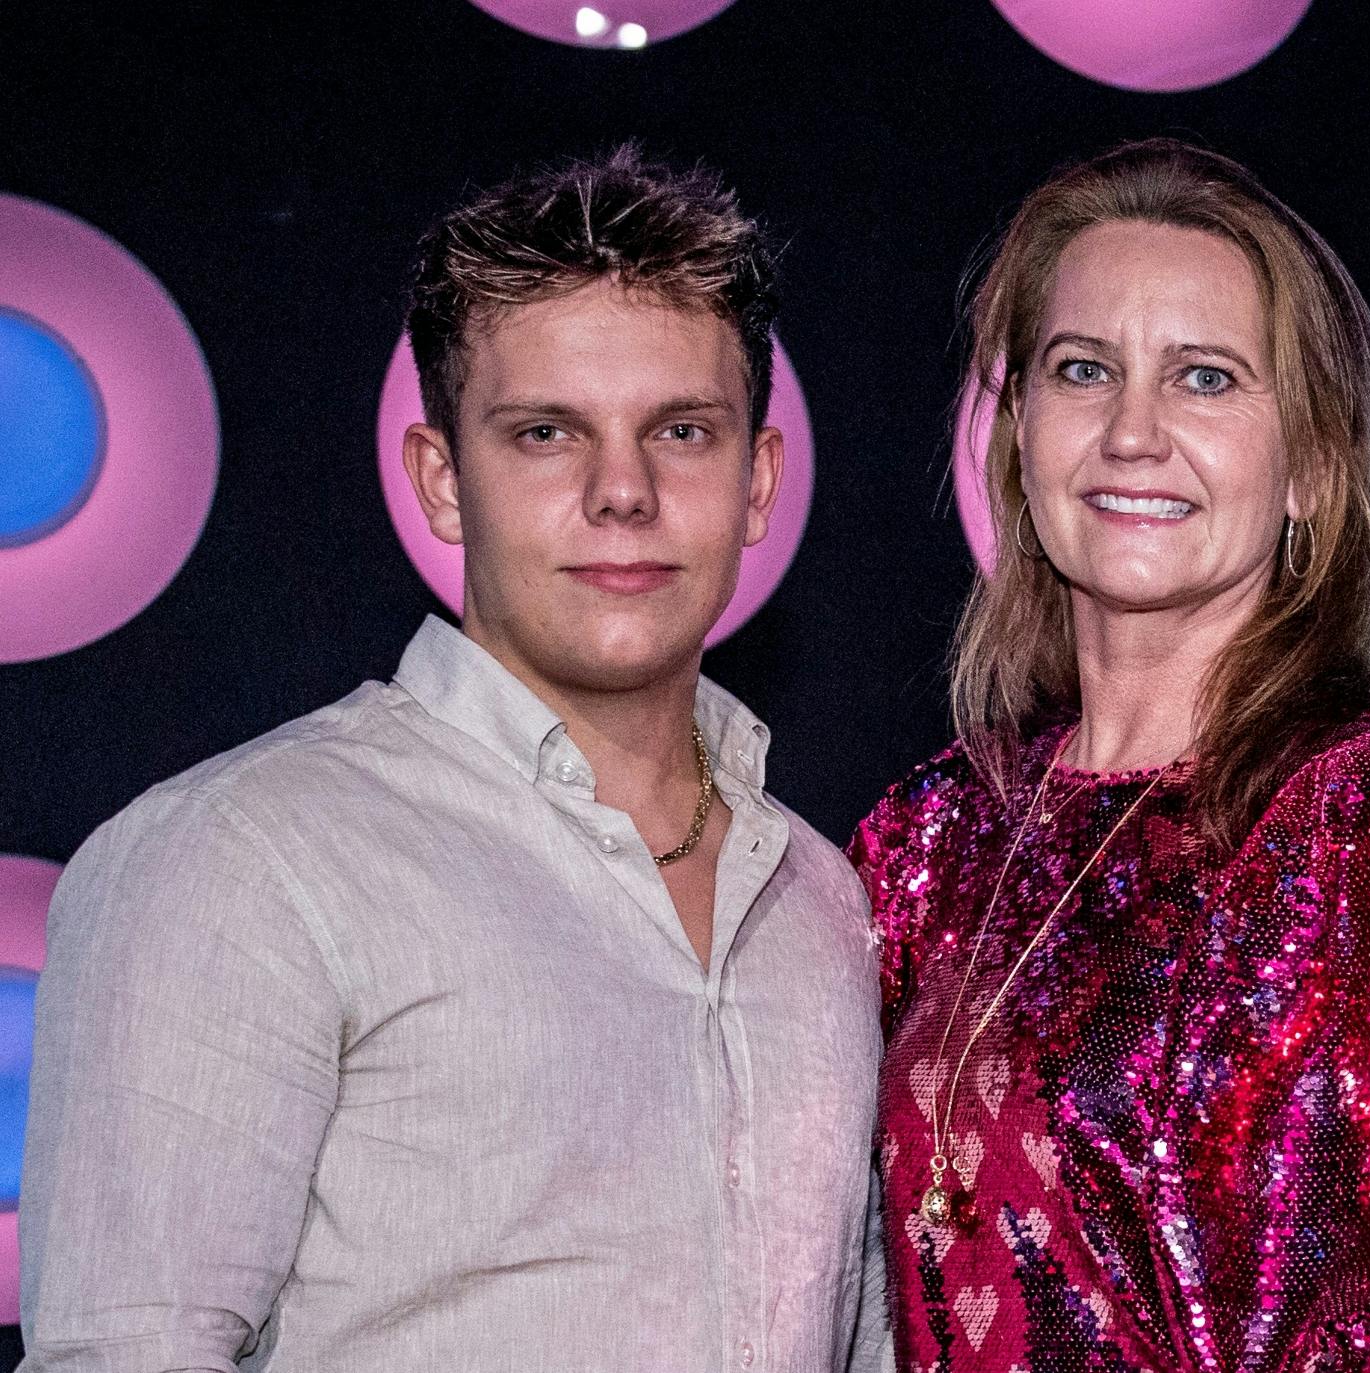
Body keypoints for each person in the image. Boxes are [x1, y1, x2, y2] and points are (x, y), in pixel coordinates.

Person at [21, 149, 887, 1371]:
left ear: (758, 480)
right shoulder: (240, 857)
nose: (622, 491)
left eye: (680, 431)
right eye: (546, 433)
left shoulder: (822, 900)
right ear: (440, 477)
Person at [851, 139, 1370, 1371]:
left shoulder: (1367, 823)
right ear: (1018, 435)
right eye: (1083, 369)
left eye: (1203, 378)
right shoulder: (935, 831)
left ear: (1307, 467)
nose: (1132, 432)